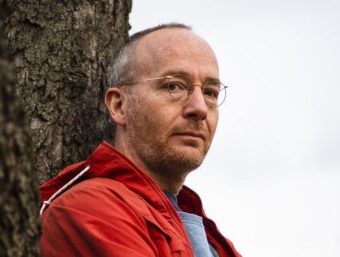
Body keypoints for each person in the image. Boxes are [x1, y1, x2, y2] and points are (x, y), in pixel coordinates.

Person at [39, 23, 242, 257]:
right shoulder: (88, 209)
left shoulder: (210, 237)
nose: (199, 108)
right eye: (173, 86)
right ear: (119, 105)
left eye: (210, 92)